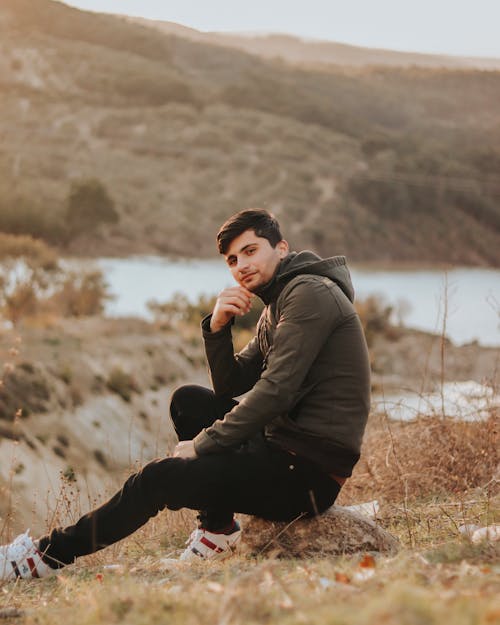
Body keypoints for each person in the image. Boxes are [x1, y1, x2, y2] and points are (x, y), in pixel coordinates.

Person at [0, 209, 371, 580]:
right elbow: (232, 385)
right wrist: (217, 327)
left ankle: (44, 557)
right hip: (283, 449)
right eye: (232, 260)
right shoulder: (278, 303)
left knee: (158, 479)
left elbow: (275, 392)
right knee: (189, 401)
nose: (241, 265)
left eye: (251, 250)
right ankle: (217, 531)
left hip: (307, 475)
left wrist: (203, 444)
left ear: (281, 247)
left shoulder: (310, 295)